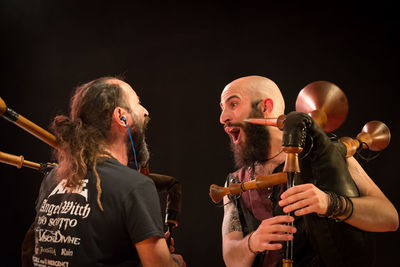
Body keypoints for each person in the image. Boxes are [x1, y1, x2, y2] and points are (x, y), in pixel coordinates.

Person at [219, 75, 399, 267]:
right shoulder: (234, 183)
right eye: (222, 108)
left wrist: (330, 203)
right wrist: (252, 242)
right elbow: (231, 259)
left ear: (265, 107)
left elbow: (390, 218)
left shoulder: (326, 155)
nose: (223, 118)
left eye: (233, 104)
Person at [31, 77, 185, 267]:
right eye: (137, 104)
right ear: (121, 116)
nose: (145, 111)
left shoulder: (53, 179)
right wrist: (175, 262)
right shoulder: (135, 186)